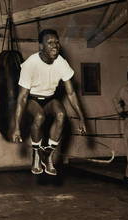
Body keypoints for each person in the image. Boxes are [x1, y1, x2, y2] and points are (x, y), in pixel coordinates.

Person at [11, 29, 86, 176]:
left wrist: (82, 119)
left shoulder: (61, 62)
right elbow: (22, 98)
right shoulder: (30, 64)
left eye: (56, 42)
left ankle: (48, 155)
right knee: (39, 116)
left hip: (50, 98)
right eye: (50, 42)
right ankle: (36, 154)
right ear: (41, 46)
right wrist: (17, 127)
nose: (55, 46)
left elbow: (71, 92)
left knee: (61, 115)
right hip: (32, 98)